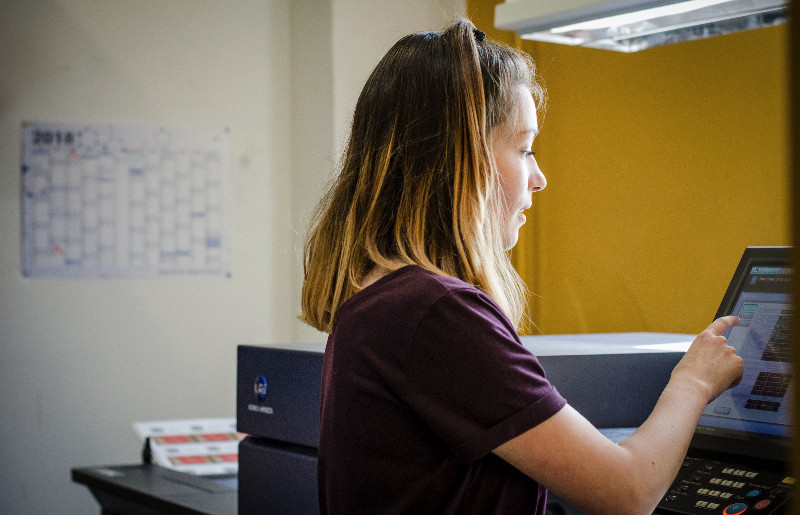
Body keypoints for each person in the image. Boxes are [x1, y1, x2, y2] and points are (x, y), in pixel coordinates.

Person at [300, 19, 743, 515]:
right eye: (525, 149)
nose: (539, 178)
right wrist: (694, 382)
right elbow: (630, 491)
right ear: (460, 157)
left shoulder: (380, 297)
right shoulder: (433, 312)